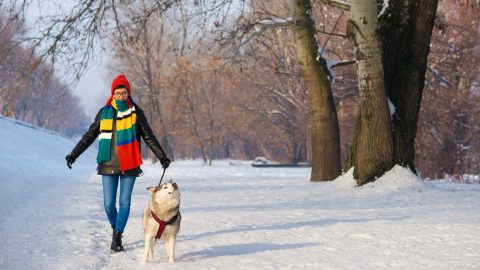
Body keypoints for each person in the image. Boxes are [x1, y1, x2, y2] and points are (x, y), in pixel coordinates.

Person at [65, 74, 171, 252]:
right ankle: (117, 229)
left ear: (128, 93)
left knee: (124, 203)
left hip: (129, 164)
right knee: (108, 204)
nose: (121, 96)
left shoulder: (136, 112)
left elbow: (148, 136)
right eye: (117, 93)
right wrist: (74, 154)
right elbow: (89, 136)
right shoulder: (104, 112)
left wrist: (161, 156)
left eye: (124, 93)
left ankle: (117, 236)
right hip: (108, 164)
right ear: (112, 94)